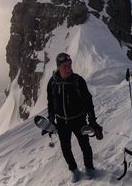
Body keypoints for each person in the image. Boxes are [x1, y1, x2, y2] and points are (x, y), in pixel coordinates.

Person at [46, 53, 102, 182]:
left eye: (70, 65)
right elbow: (51, 102)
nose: (68, 68)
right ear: (58, 67)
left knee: (85, 146)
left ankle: (89, 168)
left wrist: (92, 120)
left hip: (79, 119)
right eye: (65, 66)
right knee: (65, 148)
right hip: (61, 121)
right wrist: (51, 119)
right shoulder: (52, 82)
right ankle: (74, 170)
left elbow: (88, 101)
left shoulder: (78, 81)